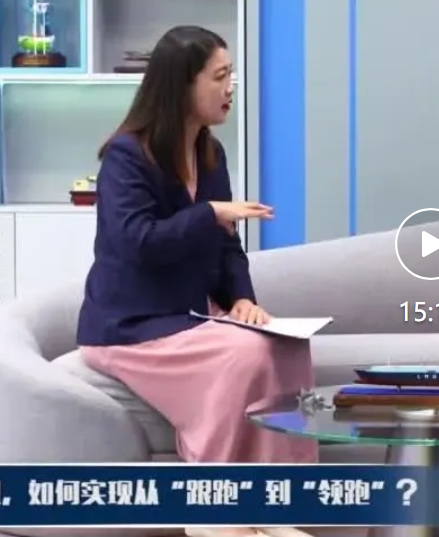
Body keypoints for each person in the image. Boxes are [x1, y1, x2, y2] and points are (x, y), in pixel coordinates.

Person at [76, 26, 315, 537]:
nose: (231, 88)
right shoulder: (126, 157)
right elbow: (138, 242)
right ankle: (213, 508)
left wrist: (243, 300)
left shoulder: (211, 153)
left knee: (287, 347)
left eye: (231, 76)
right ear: (183, 85)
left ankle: (278, 505)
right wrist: (209, 213)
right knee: (243, 354)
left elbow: (226, 247)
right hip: (133, 325)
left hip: (191, 315)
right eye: (220, 76)